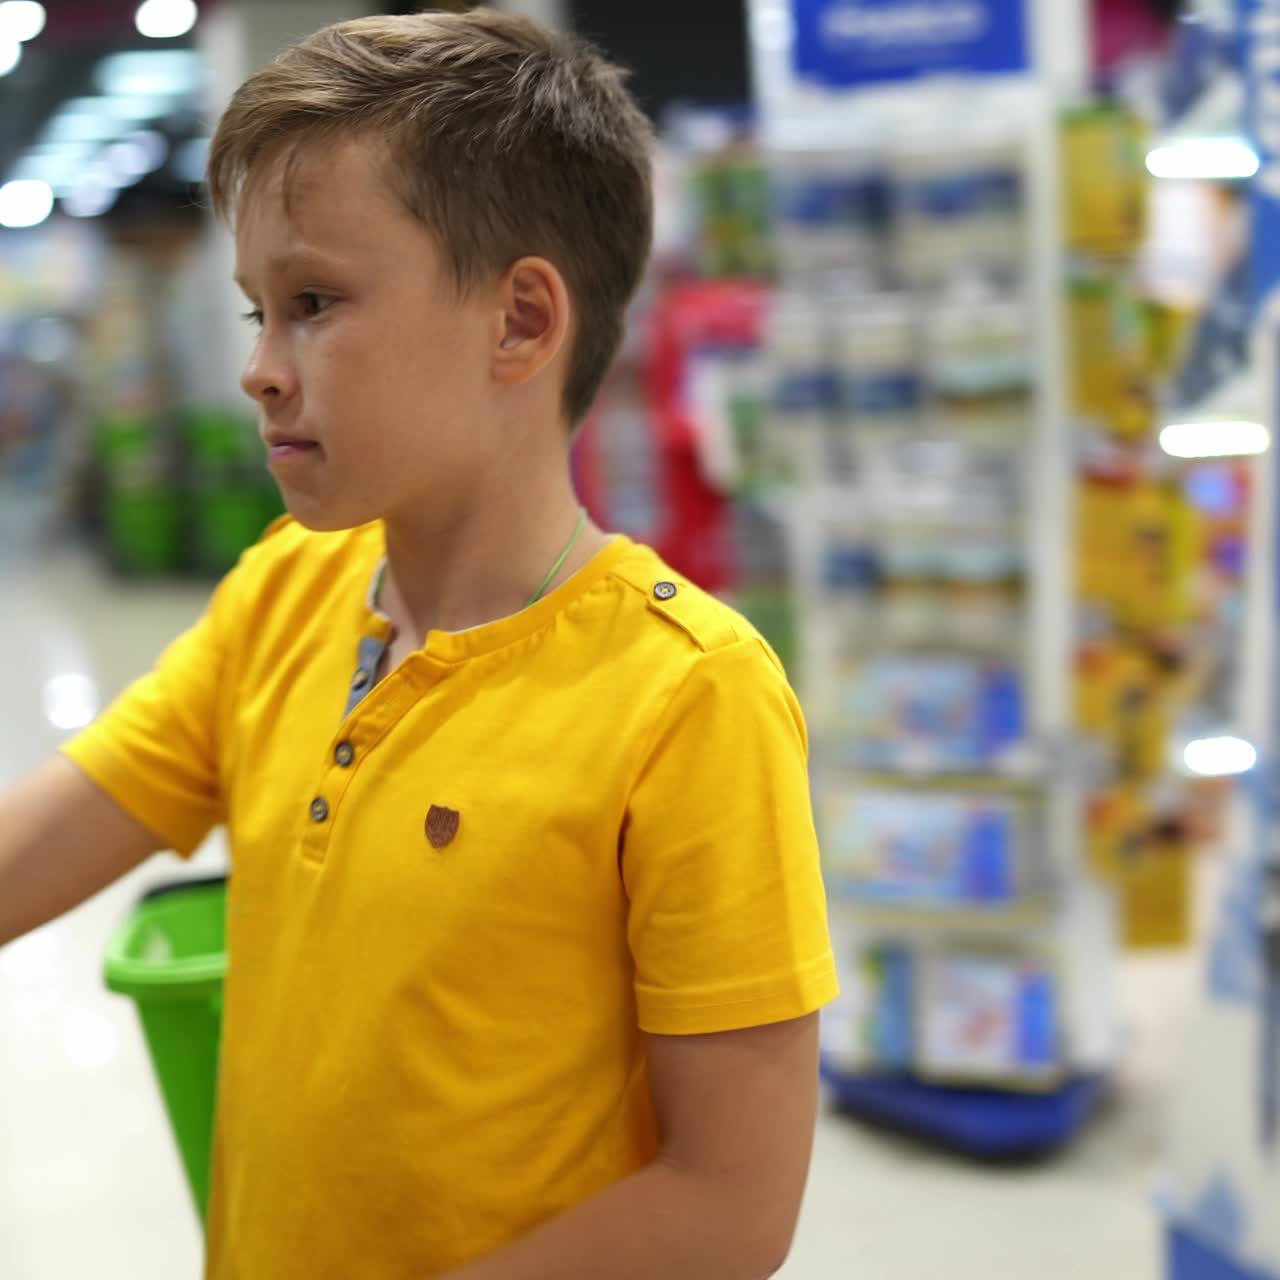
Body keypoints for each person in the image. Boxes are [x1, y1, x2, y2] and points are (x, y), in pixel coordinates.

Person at [0, 10, 837, 1278]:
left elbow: (727, 1203)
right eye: (256, 314)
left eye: (314, 303)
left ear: (519, 321)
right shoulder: (286, 595)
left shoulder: (685, 697)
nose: (262, 371)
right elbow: (44, 843)